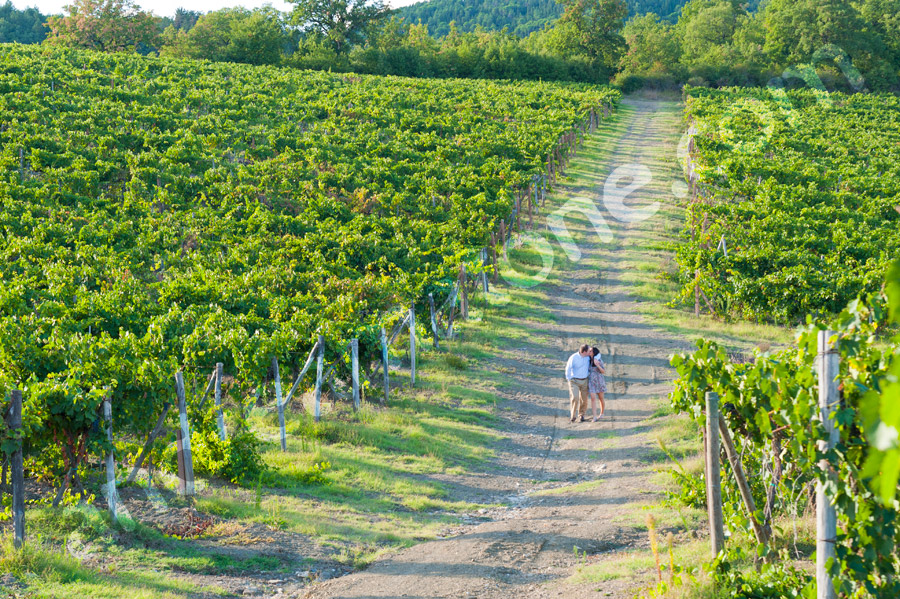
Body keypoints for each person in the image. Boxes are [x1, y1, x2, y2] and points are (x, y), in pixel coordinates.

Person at [565, 344, 591, 423]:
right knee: (575, 397)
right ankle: (573, 416)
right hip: (574, 381)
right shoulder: (573, 357)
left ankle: (582, 414)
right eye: (588, 351)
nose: (590, 352)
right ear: (584, 351)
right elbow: (568, 368)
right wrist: (569, 378)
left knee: (584, 399)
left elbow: (598, 355)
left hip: (585, 380)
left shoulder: (588, 357)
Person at [588, 346, 606, 421]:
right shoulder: (588, 360)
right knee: (593, 398)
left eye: (591, 351)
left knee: (601, 398)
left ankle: (602, 413)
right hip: (592, 381)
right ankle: (594, 416)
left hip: (599, 381)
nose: (589, 352)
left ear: (594, 352)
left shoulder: (599, 360)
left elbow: (603, 371)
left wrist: (598, 365)